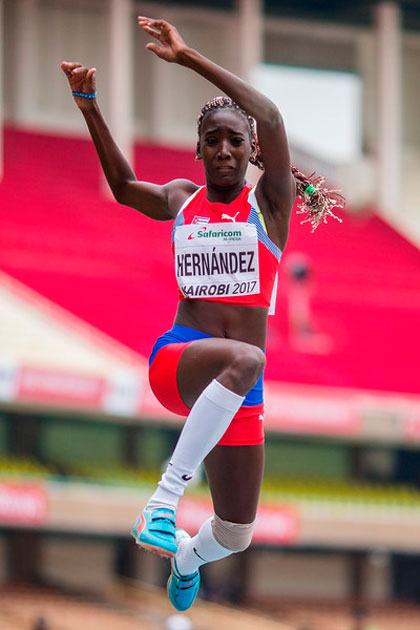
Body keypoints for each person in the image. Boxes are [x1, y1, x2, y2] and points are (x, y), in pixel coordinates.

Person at [61, 16, 343, 613]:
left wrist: (188, 57)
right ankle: (164, 502)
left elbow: (269, 113)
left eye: (234, 140)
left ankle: (185, 558)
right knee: (247, 357)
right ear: (197, 149)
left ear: (252, 151)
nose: (222, 149)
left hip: (241, 388)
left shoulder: (269, 207)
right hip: (180, 361)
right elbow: (121, 185)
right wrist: (89, 106)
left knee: (236, 532)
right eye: (211, 139)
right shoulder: (181, 201)